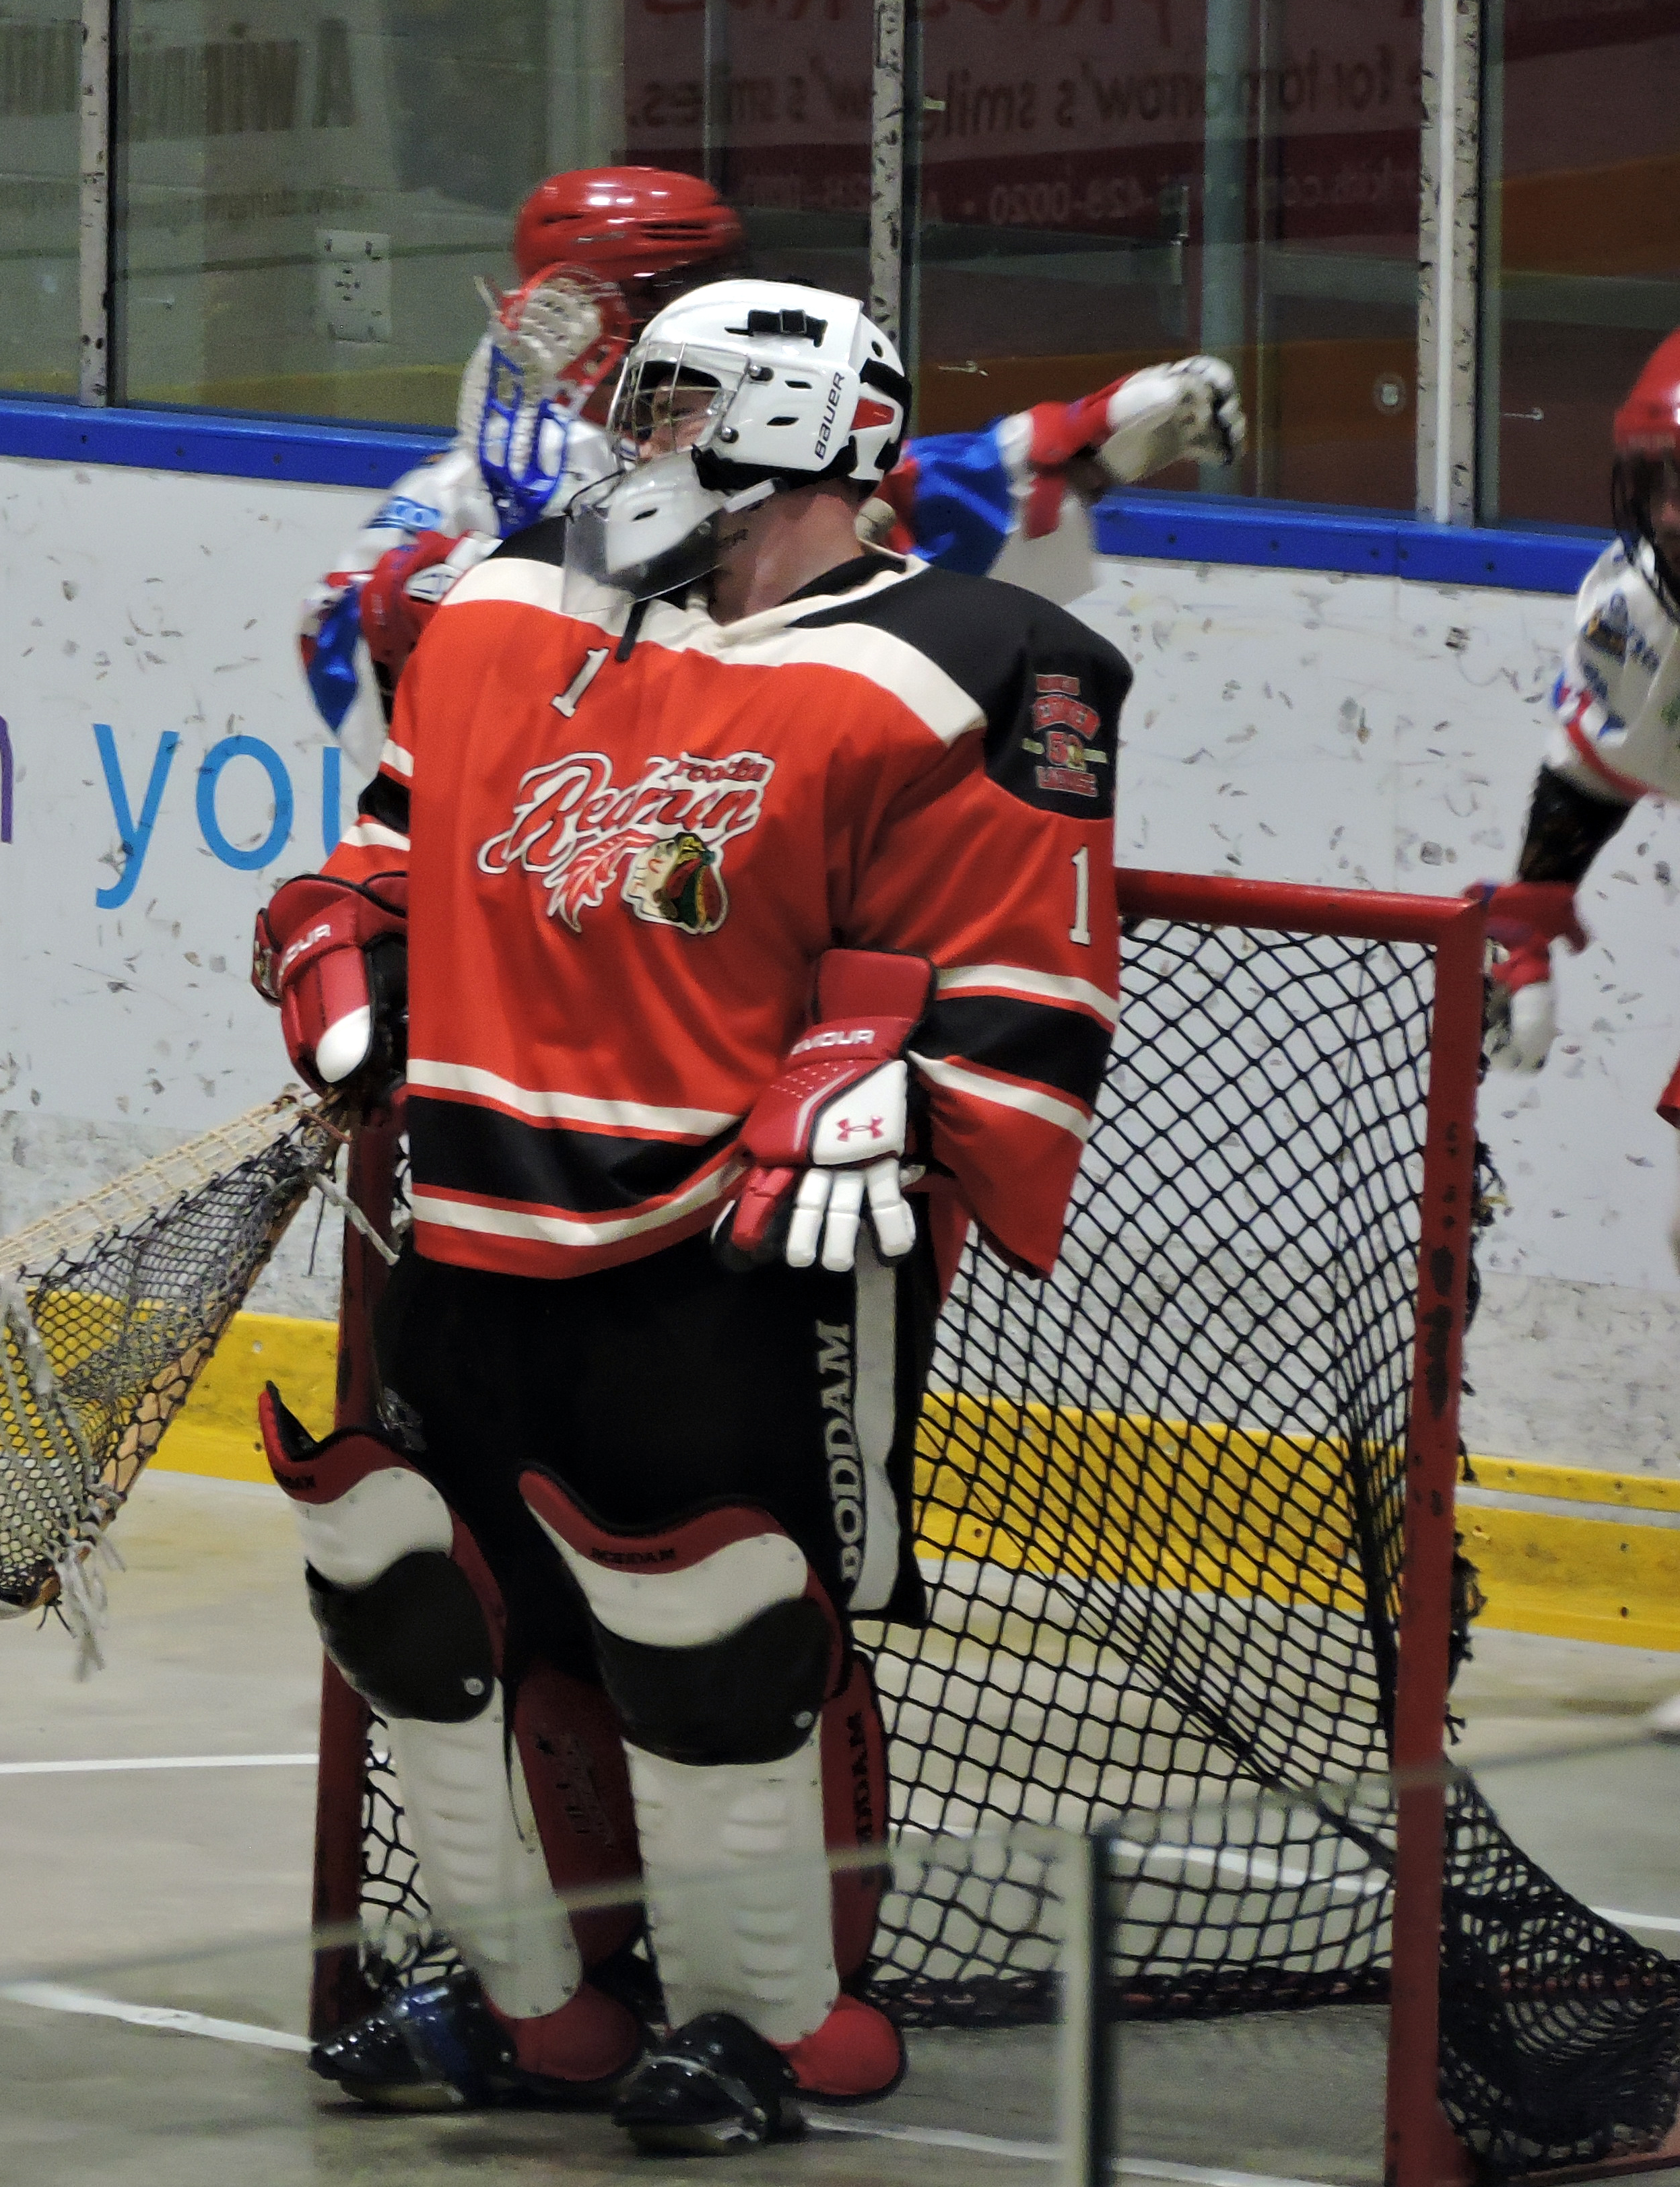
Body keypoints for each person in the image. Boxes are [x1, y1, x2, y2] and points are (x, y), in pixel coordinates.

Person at [253, 279, 1130, 2153]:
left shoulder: (986, 661)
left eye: (675, 405)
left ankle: (772, 2024)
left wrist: (907, 1075)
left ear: (810, 428)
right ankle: (536, 2002)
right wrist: (340, 935)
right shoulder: (501, 606)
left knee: (716, 1629)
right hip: (467, 1217)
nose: (629, 444)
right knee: (423, 1600)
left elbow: (1036, 977)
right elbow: (398, 839)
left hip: (741, 1251)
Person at [300, 168, 1238, 765]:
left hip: (712, 834)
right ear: (582, 308)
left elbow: (884, 515)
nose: (720, 313)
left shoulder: (759, 457)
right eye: (683, 292)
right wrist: (447, 587)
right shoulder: (464, 484)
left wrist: (1071, 443)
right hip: (512, 852)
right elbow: (343, 646)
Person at [1458, 330, 1680, 1739]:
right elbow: (1599, 761)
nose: (1668, 517)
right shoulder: (1640, 610)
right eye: (1661, 482)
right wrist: (1531, 914)